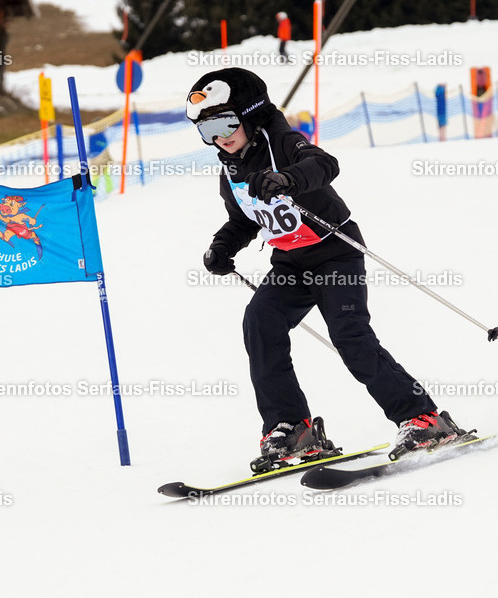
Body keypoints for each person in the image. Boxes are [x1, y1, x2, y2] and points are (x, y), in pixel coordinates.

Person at [185, 67, 465, 473]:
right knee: (260, 322)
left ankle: (424, 418)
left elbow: (323, 163)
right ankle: (291, 428)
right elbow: (245, 219)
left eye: (226, 122)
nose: (220, 136)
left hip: (334, 253)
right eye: (207, 129)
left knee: (350, 335)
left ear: (250, 114)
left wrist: (287, 179)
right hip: (290, 263)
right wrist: (222, 246)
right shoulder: (231, 168)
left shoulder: (282, 141)